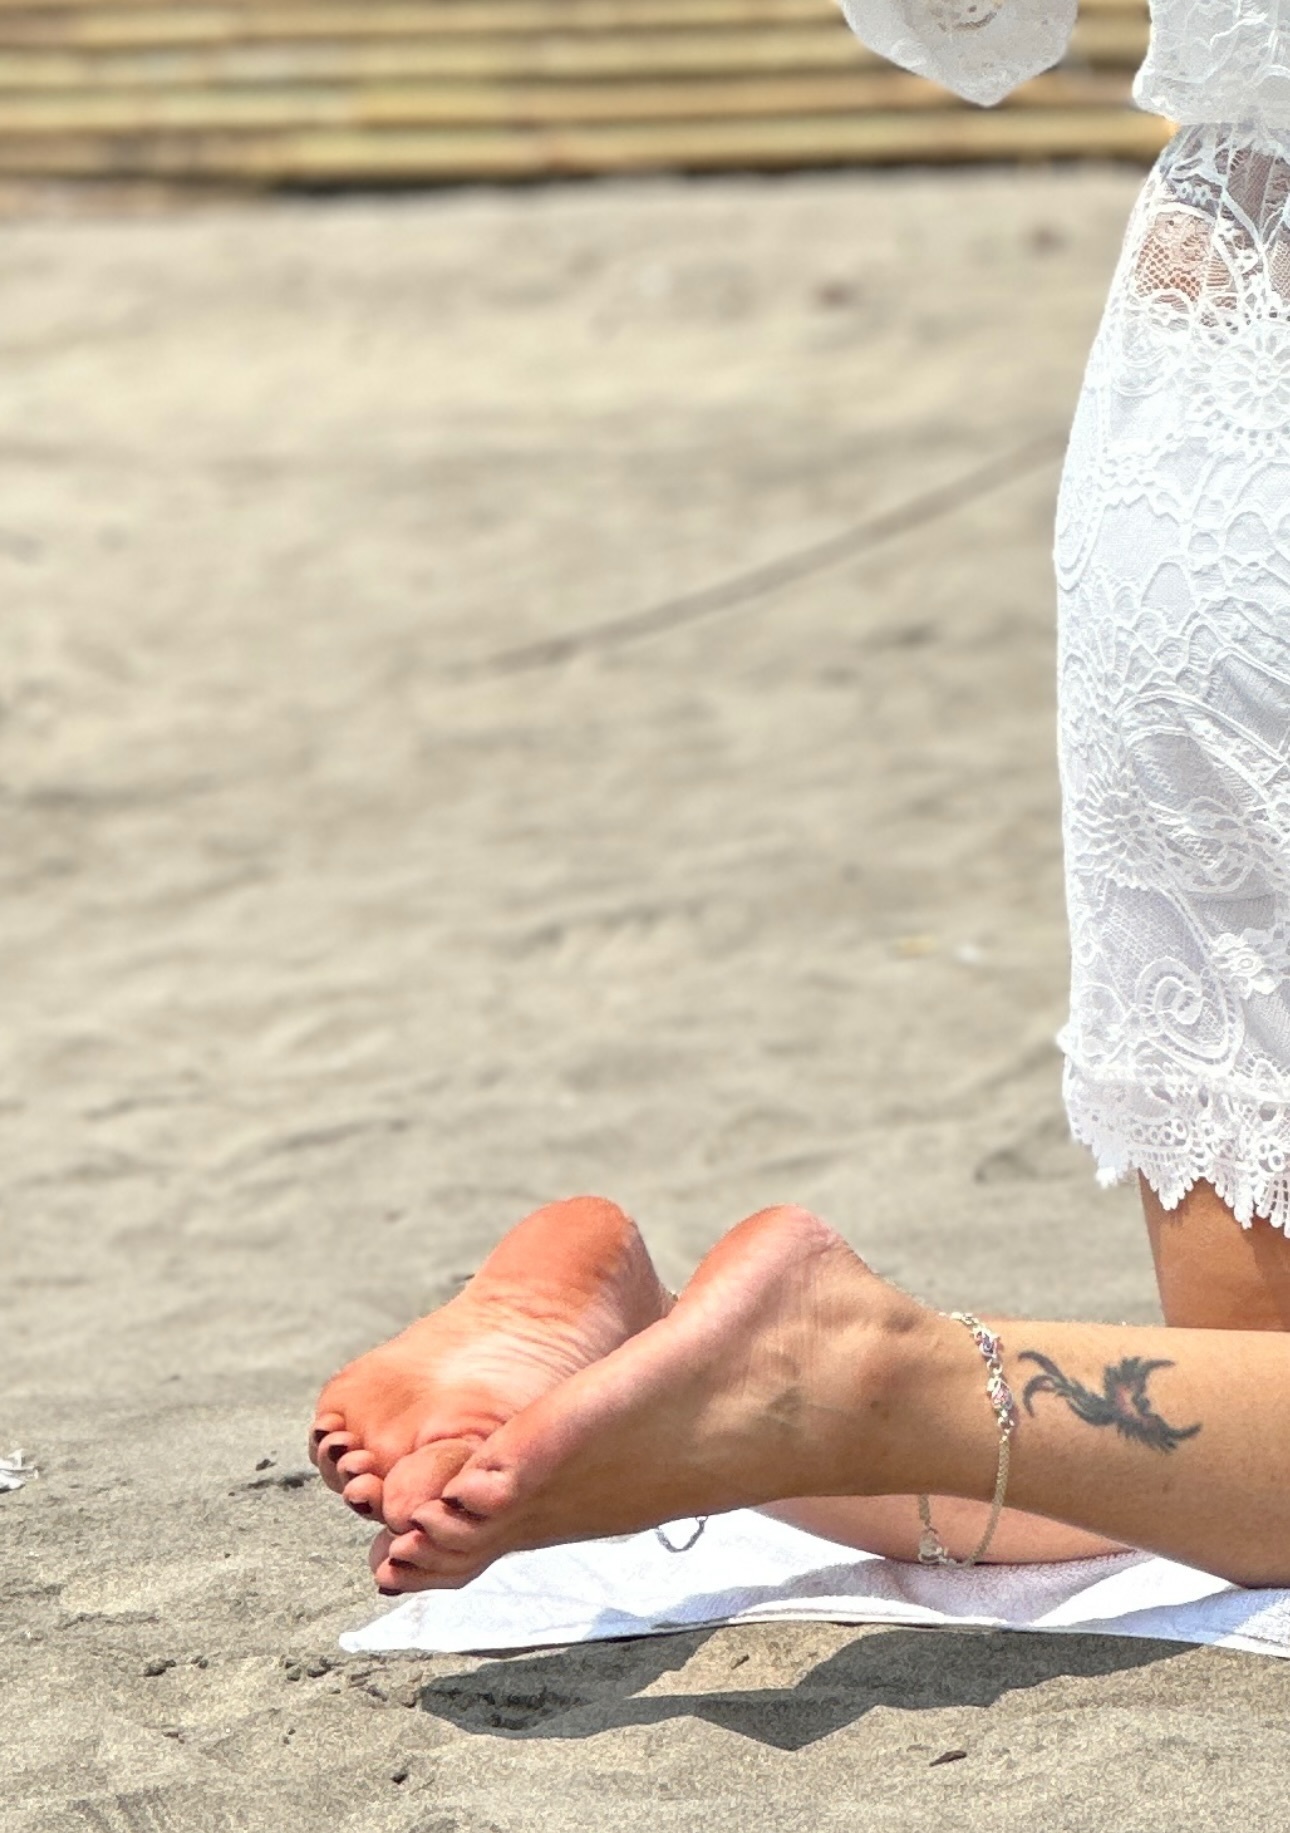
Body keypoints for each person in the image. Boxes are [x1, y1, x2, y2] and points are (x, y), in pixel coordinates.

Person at [311, 1, 1290, 1592]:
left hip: (1208, 438)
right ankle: (863, 1371)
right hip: (1210, 404)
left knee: (1249, 1408)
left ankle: (689, 1365)